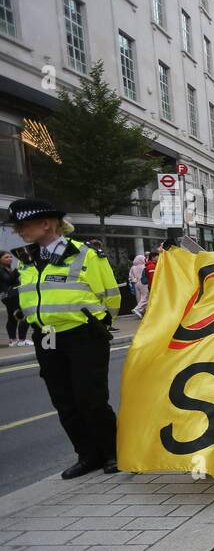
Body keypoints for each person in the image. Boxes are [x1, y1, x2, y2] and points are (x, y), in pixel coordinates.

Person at [8, 199, 120, 477]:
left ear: (46, 224)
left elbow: (110, 297)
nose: (19, 231)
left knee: (90, 398)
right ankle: (87, 456)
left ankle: (113, 453)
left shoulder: (86, 255)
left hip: (83, 335)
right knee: (64, 401)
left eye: (24, 225)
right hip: (46, 337)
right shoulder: (26, 259)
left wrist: (98, 323)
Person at [2, 250, 31, 346]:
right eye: (6, 257)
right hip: (9, 296)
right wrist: (17, 272)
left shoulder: (8, 269)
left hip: (11, 296)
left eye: (10, 257)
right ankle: (22, 340)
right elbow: (8, 281)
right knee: (25, 315)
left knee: (12, 318)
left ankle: (13, 341)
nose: (10, 259)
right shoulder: (1, 270)